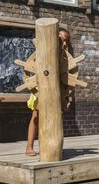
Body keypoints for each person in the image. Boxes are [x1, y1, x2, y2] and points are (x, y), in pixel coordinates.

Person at [25, 28, 72, 156]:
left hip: (57, 91)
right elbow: (33, 67)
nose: (63, 44)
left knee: (55, 118)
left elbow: (68, 80)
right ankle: (29, 147)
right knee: (36, 116)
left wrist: (67, 98)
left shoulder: (64, 59)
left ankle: (50, 146)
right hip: (41, 89)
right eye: (61, 40)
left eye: (66, 41)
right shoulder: (43, 54)